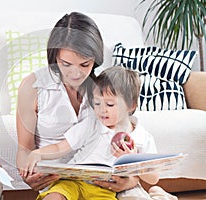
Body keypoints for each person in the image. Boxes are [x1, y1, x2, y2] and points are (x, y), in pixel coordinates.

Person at [16, 11, 140, 195]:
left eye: (84, 64)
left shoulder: (106, 85)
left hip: (105, 183)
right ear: (54, 57)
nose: (76, 74)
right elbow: (24, 149)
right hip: (59, 184)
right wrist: (27, 176)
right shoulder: (32, 86)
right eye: (66, 64)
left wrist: (129, 181)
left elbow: (131, 139)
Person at [22, 66, 178, 200]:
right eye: (97, 102)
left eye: (110, 104)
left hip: (104, 189)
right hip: (73, 182)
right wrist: (39, 153)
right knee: (54, 196)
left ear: (131, 105)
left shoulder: (141, 137)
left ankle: (159, 195)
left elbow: (153, 178)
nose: (102, 109)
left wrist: (132, 160)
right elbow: (60, 147)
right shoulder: (91, 124)